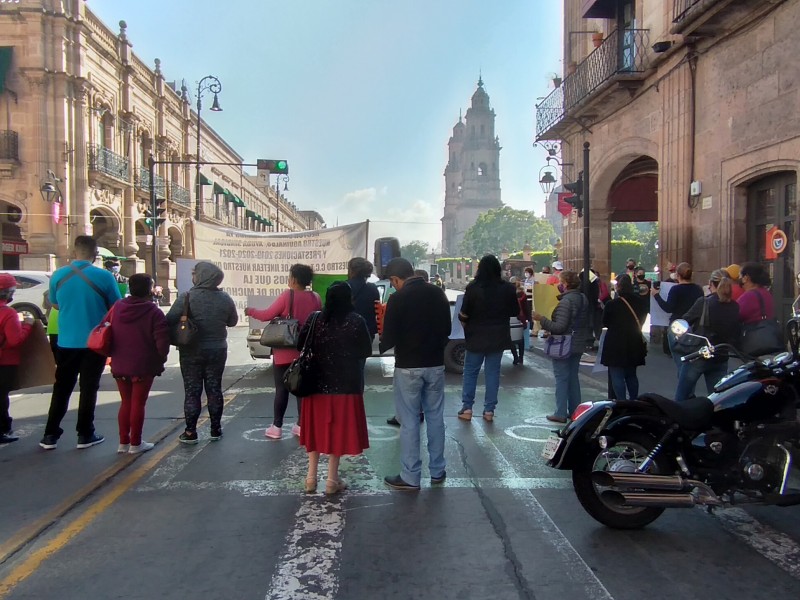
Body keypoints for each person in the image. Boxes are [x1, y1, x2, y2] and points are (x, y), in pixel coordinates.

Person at [40, 235, 122, 450]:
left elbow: (55, 304)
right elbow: (116, 306)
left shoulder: (58, 275)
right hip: (94, 341)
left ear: (74, 251)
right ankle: (85, 433)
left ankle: (50, 435)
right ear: (95, 254)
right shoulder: (104, 276)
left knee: (62, 387)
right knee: (89, 387)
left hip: (66, 340)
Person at [379, 258, 450, 491]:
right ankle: (438, 470)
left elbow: (388, 337)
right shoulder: (437, 293)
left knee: (409, 421)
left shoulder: (398, 298)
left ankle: (410, 476)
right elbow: (447, 329)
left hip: (408, 365)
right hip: (436, 364)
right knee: (435, 417)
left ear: (395, 279)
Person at [298, 282, 372, 494]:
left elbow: (300, 344)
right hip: (345, 385)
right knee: (336, 431)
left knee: (314, 431)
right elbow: (365, 350)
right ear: (349, 298)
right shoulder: (356, 321)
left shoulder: (315, 319)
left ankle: (310, 478)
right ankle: (332, 480)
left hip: (314, 384)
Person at [245, 263, 321, 440]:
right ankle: (301, 425)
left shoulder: (288, 295)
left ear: (294, 279)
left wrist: (250, 311)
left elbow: (266, 315)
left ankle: (277, 427)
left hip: (284, 352)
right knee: (301, 388)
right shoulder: (315, 297)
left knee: (282, 389)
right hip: (305, 352)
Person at [167, 262, 238, 444]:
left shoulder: (187, 297)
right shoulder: (225, 298)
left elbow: (168, 320)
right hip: (217, 350)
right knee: (214, 389)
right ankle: (215, 429)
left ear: (200, 276)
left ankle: (191, 432)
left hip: (191, 350)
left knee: (192, 391)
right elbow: (232, 322)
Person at [109, 273, 170, 454]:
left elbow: (106, 327)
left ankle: (123, 442)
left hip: (120, 362)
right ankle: (136, 443)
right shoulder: (153, 312)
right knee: (138, 403)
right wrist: (161, 358)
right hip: (143, 364)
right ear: (149, 290)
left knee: (125, 402)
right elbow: (162, 342)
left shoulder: (117, 307)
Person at [457, 255, 518, 421]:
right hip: (498, 336)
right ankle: (489, 410)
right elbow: (514, 311)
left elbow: (463, 314)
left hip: (475, 335)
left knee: (470, 372)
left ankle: (467, 408)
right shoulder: (507, 288)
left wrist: (466, 325)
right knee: (493, 373)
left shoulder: (473, 288)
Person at [533, 270, 594, 423]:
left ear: (566, 284)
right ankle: (576, 411)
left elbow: (559, 326)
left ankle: (560, 412)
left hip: (564, 343)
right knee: (573, 378)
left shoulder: (566, 302)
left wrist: (542, 319)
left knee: (561, 378)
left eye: (561, 282)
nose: (559, 285)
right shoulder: (582, 298)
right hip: (578, 342)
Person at [674, 270, 741, 401]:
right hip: (721, 355)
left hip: (700, 354)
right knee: (718, 398)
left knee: (682, 395)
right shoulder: (735, 306)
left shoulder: (705, 302)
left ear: (711, 284)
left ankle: (680, 420)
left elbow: (684, 321)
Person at [600, 274, 648, 400]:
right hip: (634, 339)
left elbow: (605, 322)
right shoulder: (640, 303)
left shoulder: (612, 304)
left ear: (619, 287)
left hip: (615, 341)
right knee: (631, 374)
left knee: (617, 374)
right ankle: (634, 401)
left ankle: (621, 402)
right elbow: (642, 319)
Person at [0, 273, 34, 444]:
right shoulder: (8, 314)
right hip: (4, 362)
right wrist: (27, 325)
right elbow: (15, 340)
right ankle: (3, 429)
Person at [652, 261, 704, 371]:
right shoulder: (698, 289)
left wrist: (656, 295)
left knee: (680, 359)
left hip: (677, 325)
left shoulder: (676, 289)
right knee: (692, 356)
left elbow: (668, 308)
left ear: (678, 275)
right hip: (693, 325)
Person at [346, 257, 380, 341]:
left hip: (347, 332)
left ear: (351, 271)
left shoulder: (343, 287)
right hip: (367, 332)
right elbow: (375, 310)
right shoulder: (373, 288)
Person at [509, 276, 531, 363]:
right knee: (520, 339)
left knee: (511, 339)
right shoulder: (522, 294)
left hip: (511, 318)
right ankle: (520, 357)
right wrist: (528, 318)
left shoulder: (508, 293)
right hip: (521, 318)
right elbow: (526, 308)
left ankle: (515, 357)